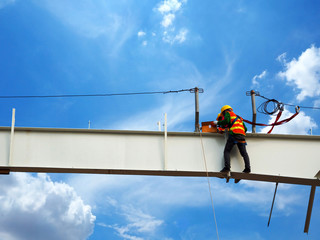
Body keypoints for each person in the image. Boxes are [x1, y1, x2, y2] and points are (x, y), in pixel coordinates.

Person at [216, 105, 251, 173]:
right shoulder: (239, 117)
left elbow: (226, 121)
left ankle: (227, 168)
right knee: (244, 153)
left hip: (234, 134)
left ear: (224, 111)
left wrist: (218, 122)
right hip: (242, 136)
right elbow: (245, 129)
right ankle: (248, 169)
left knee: (227, 151)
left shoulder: (228, 113)